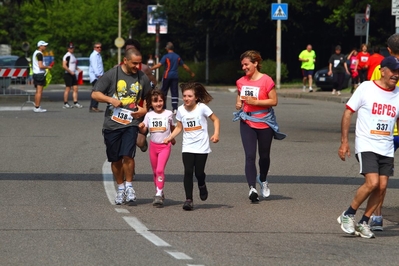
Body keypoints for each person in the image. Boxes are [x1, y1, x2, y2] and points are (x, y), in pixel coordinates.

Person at [337, 55, 399, 239]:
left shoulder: (398, 94)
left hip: (386, 146)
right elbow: (348, 112)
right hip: (367, 143)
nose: (395, 75)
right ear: (382, 70)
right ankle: (348, 214)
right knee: (372, 182)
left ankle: (364, 221)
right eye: (393, 70)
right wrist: (344, 142)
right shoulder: (366, 88)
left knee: (382, 186)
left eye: (398, 71)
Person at [91, 48, 151, 205]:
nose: (137, 66)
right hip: (112, 124)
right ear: (125, 61)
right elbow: (95, 94)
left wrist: (144, 109)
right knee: (115, 159)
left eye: (139, 63)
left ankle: (130, 186)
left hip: (131, 123)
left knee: (128, 155)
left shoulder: (141, 76)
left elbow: (148, 97)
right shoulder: (113, 74)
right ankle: (121, 187)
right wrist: (111, 100)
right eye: (134, 63)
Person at [233, 50, 286, 203]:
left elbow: (273, 101)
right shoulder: (241, 81)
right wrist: (238, 102)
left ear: (255, 63)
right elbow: (240, 94)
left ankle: (262, 179)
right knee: (250, 155)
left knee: (264, 157)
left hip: (265, 122)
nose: (244, 67)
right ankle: (252, 188)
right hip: (247, 121)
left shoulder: (266, 80)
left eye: (246, 64)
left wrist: (256, 102)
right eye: (242, 65)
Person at [163, 82, 220, 211]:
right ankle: (188, 199)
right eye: (184, 96)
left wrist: (216, 134)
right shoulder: (181, 110)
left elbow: (216, 120)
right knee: (188, 171)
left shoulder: (202, 108)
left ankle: (201, 183)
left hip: (202, 146)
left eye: (189, 96)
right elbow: (179, 127)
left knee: (199, 172)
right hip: (187, 146)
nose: (186, 98)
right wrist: (170, 137)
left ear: (196, 97)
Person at [368, 33, 399, 231]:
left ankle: (377, 215)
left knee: (381, 177)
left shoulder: (381, 70)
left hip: (386, 131)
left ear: (388, 49)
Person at [139, 89, 176, 207]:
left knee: (160, 170)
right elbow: (145, 129)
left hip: (165, 146)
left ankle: (158, 194)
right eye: (155, 101)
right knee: (155, 172)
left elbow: (172, 126)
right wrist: (141, 127)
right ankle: (159, 190)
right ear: (151, 103)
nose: (158, 104)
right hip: (153, 147)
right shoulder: (149, 115)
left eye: (160, 101)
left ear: (164, 101)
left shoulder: (168, 113)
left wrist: (172, 138)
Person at [150, 42, 195, 113]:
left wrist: (150, 69)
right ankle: (175, 108)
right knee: (174, 92)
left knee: (163, 92)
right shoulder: (177, 57)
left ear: (167, 48)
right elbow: (184, 66)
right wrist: (191, 72)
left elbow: (159, 65)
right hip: (175, 76)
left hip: (167, 76)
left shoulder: (166, 56)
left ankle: (163, 106)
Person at [32, 40, 52, 113]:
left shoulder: (35, 53)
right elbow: (40, 66)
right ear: (40, 46)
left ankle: (36, 106)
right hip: (40, 74)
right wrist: (48, 67)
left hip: (35, 73)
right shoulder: (39, 54)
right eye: (44, 46)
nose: (45, 47)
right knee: (39, 91)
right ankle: (37, 107)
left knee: (37, 91)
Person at [62, 42, 83, 109]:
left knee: (75, 88)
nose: (72, 49)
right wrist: (70, 71)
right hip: (68, 74)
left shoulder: (73, 56)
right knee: (68, 88)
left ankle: (75, 102)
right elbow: (64, 65)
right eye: (70, 48)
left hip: (73, 73)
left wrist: (77, 69)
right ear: (68, 49)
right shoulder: (67, 56)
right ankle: (65, 103)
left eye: (72, 48)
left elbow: (73, 65)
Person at [88, 42, 104, 112]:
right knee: (96, 92)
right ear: (94, 48)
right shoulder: (94, 55)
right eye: (97, 47)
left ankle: (94, 106)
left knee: (96, 91)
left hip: (98, 76)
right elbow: (95, 66)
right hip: (95, 76)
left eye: (100, 47)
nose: (99, 48)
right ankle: (93, 106)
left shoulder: (98, 55)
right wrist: (98, 75)